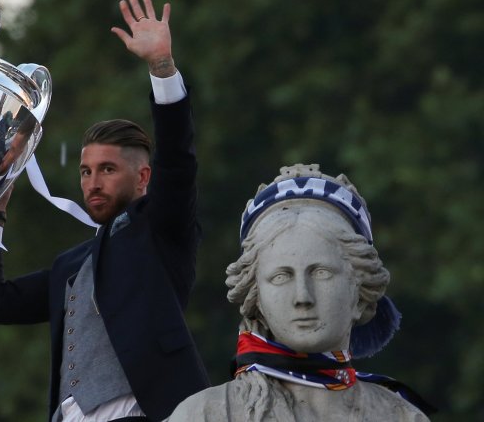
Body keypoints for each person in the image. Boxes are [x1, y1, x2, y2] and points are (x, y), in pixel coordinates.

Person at [0, 0, 210, 422]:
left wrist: (162, 68)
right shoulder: (70, 266)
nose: (92, 183)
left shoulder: (161, 230)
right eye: (85, 171)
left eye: (108, 169)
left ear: (143, 178)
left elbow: (178, 159)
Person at [166, 164, 433, 422]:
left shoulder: (400, 416)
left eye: (321, 273)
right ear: (255, 298)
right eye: (281, 277)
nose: (302, 297)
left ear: (361, 293)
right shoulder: (204, 416)